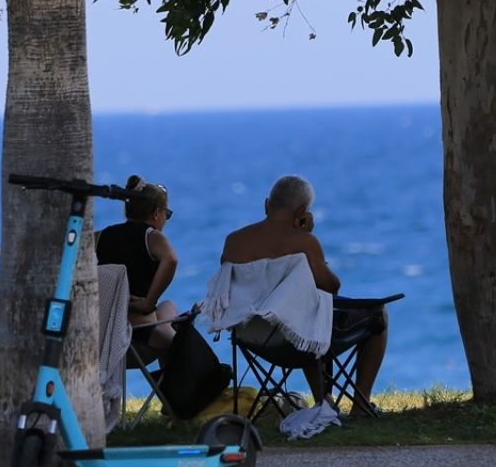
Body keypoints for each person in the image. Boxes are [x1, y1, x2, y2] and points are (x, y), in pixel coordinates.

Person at [219, 174, 388, 415]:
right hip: (295, 342)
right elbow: (331, 287)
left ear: (267, 204)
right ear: (302, 212)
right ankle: (361, 405)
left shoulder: (233, 241)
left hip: (250, 336)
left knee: (307, 314)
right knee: (377, 314)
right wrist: (307, 236)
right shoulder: (304, 242)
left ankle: (324, 401)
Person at [96, 175, 180, 362]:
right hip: (138, 336)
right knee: (176, 326)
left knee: (168, 307)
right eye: (167, 214)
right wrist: (147, 303)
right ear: (156, 213)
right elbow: (171, 259)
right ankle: (172, 389)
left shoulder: (102, 235)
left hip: (103, 334)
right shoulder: (152, 237)